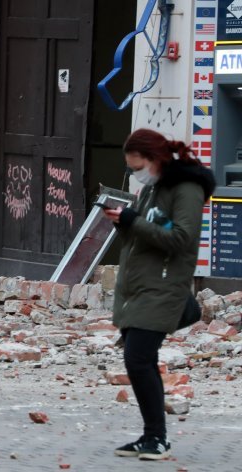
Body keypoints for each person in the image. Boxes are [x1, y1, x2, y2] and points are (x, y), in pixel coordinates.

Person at [103, 128, 215, 461]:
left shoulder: (186, 189)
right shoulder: (154, 188)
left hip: (164, 287)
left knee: (138, 359)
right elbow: (143, 234)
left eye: (137, 167)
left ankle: (157, 438)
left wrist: (133, 220)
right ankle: (152, 436)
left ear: (155, 159)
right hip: (141, 286)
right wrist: (124, 222)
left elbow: (182, 239)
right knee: (140, 360)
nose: (135, 174)